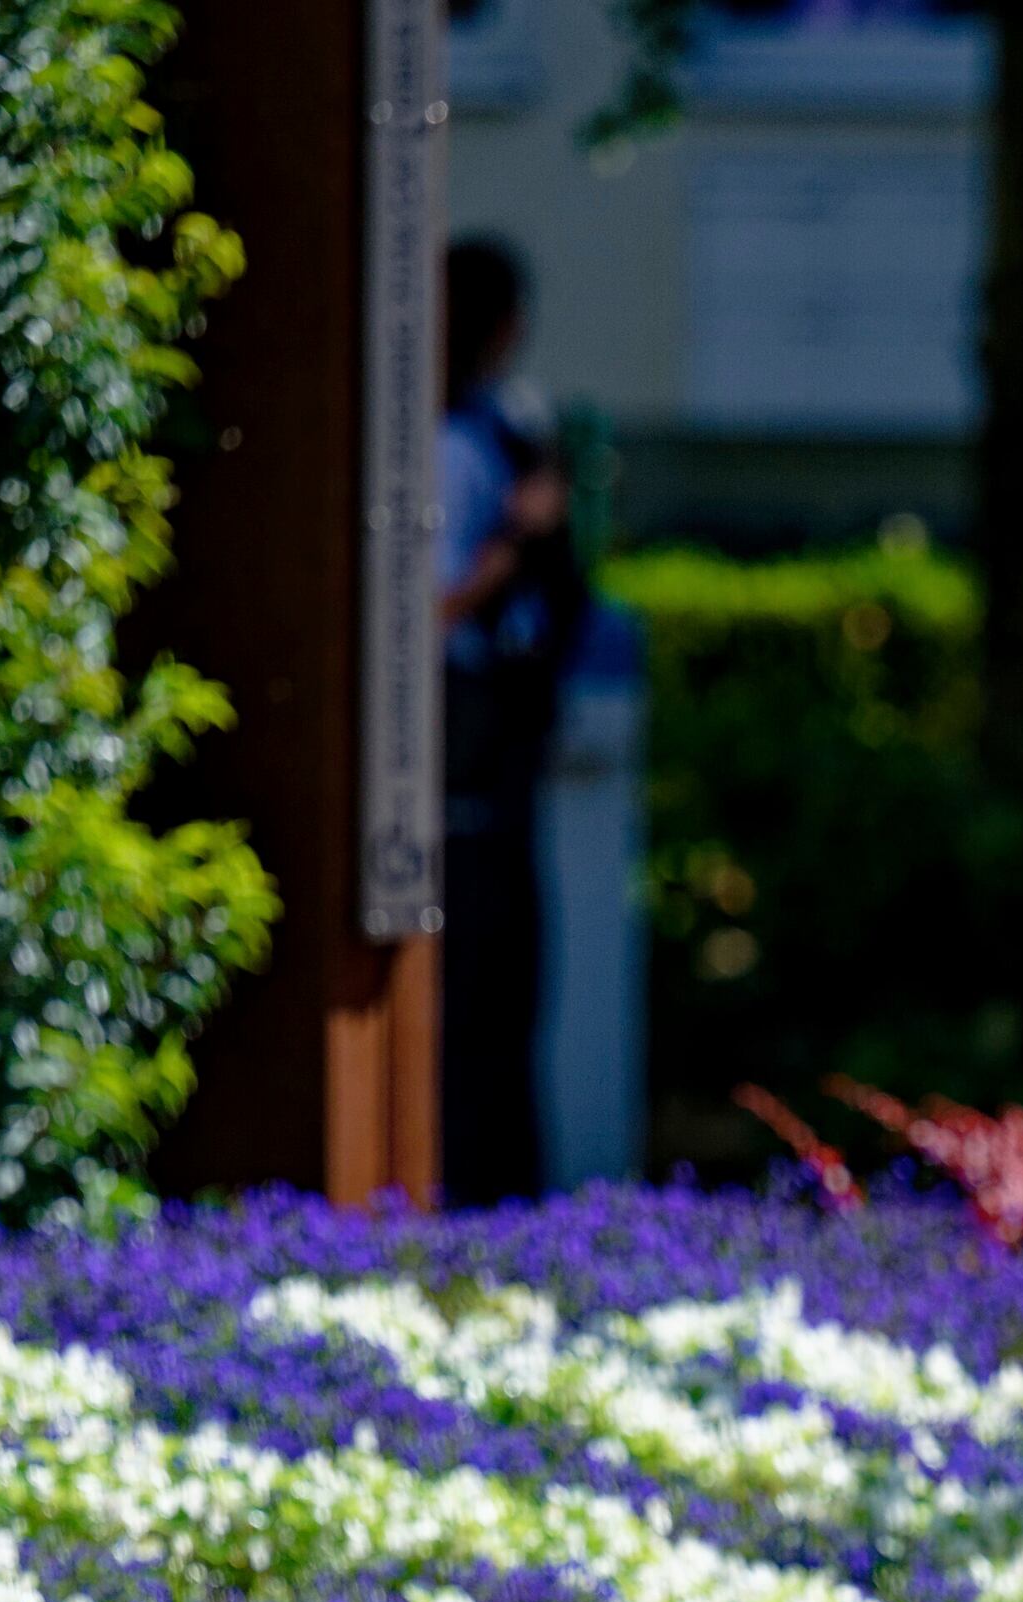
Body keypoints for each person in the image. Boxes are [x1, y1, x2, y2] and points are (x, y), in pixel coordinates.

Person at [439, 237, 583, 1209]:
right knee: (467, 994)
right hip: (452, 747)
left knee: (508, 994)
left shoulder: (503, 427)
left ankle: (505, 1192)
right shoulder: (442, 445)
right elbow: (427, 608)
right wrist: (511, 543)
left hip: (504, 746)